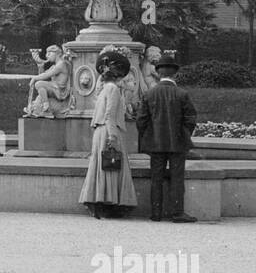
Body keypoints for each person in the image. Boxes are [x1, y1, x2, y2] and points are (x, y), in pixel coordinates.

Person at [136, 51, 198, 223]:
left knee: (156, 178)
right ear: (174, 73)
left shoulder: (149, 94)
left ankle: (156, 213)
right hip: (177, 143)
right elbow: (190, 118)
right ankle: (177, 213)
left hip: (155, 144)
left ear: (159, 72)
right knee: (177, 178)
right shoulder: (182, 94)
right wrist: (183, 134)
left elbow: (141, 120)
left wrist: (148, 136)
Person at [78, 49, 137, 219]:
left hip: (101, 130)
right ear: (119, 75)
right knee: (110, 167)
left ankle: (98, 201)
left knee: (101, 166)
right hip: (109, 130)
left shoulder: (104, 89)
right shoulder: (113, 90)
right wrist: (112, 136)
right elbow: (110, 114)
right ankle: (106, 203)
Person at [25, 45, 75, 117]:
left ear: (57, 53)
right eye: (46, 54)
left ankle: (46, 106)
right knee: (40, 87)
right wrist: (41, 66)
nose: (47, 56)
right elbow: (43, 75)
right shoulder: (54, 66)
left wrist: (35, 78)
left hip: (60, 91)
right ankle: (45, 108)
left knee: (39, 84)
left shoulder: (61, 64)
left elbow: (47, 75)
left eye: (49, 53)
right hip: (54, 87)